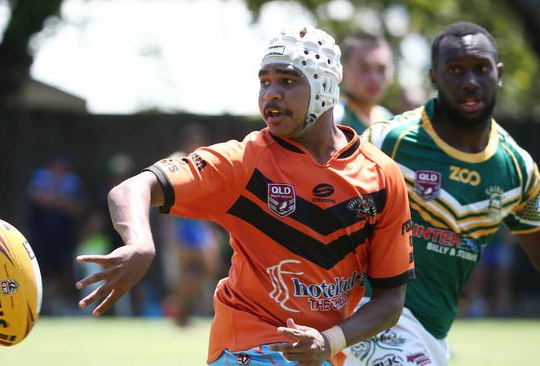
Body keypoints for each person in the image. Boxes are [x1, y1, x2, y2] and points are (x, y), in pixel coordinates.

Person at [75, 26, 415, 366]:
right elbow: (133, 187)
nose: (271, 93)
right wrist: (139, 243)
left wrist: (329, 342)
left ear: (325, 86)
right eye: (264, 82)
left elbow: (390, 299)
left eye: (287, 80)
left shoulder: (382, 177)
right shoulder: (243, 161)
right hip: (246, 348)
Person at [344, 21, 540, 365]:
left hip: (432, 332)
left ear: (499, 73)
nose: (470, 82)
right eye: (455, 70)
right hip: (365, 313)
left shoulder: (517, 169)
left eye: (481, 69)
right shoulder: (388, 141)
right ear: (434, 77)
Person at [160, 123, 222, 327]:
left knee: (205, 269)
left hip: (199, 225)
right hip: (182, 224)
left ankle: (177, 306)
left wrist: (212, 227)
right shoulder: (176, 160)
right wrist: (169, 231)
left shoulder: (202, 160)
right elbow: (165, 197)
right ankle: (181, 313)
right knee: (189, 270)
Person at [27, 153, 83, 315]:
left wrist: (53, 200)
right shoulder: (39, 177)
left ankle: (57, 308)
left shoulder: (72, 182)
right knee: (39, 270)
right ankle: (40, 306)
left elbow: (76, 208)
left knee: (62, 272)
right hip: (41, 235)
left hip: (63, 236)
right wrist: (61, 201)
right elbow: (39, 199)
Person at [334, 33, 394, 135]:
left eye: (381, 69)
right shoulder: (333, 118)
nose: (374, 78)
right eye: (364, 68)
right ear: (342, 70)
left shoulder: (389, 121)